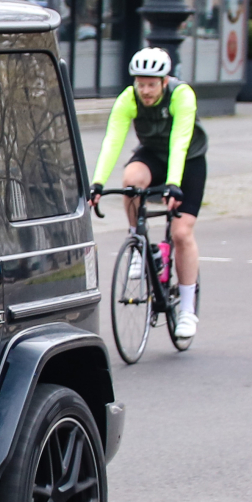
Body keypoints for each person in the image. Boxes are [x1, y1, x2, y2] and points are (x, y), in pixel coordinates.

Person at [90, 46, 208, 338]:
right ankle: (138, 244)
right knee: (131, 179)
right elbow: (112, 140)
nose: (145, 90)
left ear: (164, 81)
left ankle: (187, 311)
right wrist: (97, 183)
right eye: (140, 84)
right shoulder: (127, 99)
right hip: (153, 154)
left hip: (189, 161)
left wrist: (173, 183)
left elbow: (180, 141)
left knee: (181, 234)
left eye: (151, 85)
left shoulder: (182, 95)